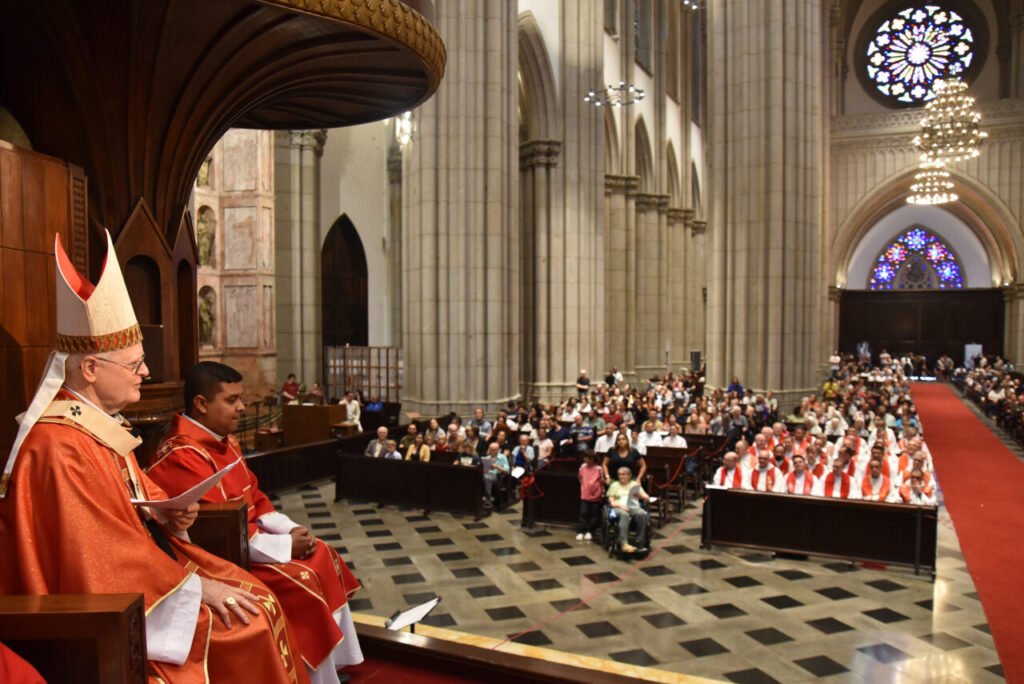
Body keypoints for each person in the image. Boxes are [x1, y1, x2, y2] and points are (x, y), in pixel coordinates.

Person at [0, 233, 307, 683]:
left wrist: (172, 513)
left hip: (144, 575)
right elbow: (98, 555)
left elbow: (133, 503)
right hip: (100, 613)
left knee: (257, 598)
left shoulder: (95, 423)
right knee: (244, 622)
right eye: (134, 363)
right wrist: (197, 588)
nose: (145, 371)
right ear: (89, 369)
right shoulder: (57, 446)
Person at [148, 362, 363, 683]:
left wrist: (289, 530)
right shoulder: (182, 455)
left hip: (250, 543)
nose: (242, 407)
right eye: (232, 400)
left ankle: (332, 667)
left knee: (322, 554)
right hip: (219, 558)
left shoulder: (226, 440)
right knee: (301, 577)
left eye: (241, 398)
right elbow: (216, 531)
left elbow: (255, 498)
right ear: (202, 404)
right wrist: (286, 547)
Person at [606, 467, 652, 554]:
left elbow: (647, 498)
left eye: (623, 474)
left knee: (641, 514)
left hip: (633, 507)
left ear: (629, 476)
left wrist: (640, 496)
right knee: (624, 515)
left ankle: (640, 543)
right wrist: (621, 506)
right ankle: (624, 544)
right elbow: (611, 502)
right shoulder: (614, 485)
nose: (620, 476)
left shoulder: (634, 485)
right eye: (619, 474)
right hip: (618, 507)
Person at [576, 452, 605, 541]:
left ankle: (590, 531)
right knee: (583, 513)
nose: (584, 459)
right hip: (585, 494)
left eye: (586, 457)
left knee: (593, 514)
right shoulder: (582, 467)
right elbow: (580, 478)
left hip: (595, 496)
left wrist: (600, 492)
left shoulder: (599, 468)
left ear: (591, 459)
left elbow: (601, 481)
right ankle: (581, 531)